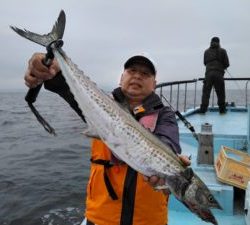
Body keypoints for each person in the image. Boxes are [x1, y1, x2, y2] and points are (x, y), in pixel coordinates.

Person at [24, 53, 190, 225]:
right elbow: (69, 90)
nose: (138, 75)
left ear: (154, 84)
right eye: (132, 70)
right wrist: (50, 69)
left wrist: (170, 160)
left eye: (146, 74)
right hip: (101, 218)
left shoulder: (165, 114)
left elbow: (168, 143)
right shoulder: (97, 104)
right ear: (121, 78)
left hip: (149, 220)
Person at [199, 37, 230, 114]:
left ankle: (203, 110)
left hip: (208, 74)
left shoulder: (206, 51)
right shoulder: (223, 51)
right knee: (221, 93)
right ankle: (222, 110)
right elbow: (227, 64)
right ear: (219, 42)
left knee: (206, 93)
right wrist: (222, 66)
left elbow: (205, 62)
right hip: (219, 74)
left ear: (211, 42)